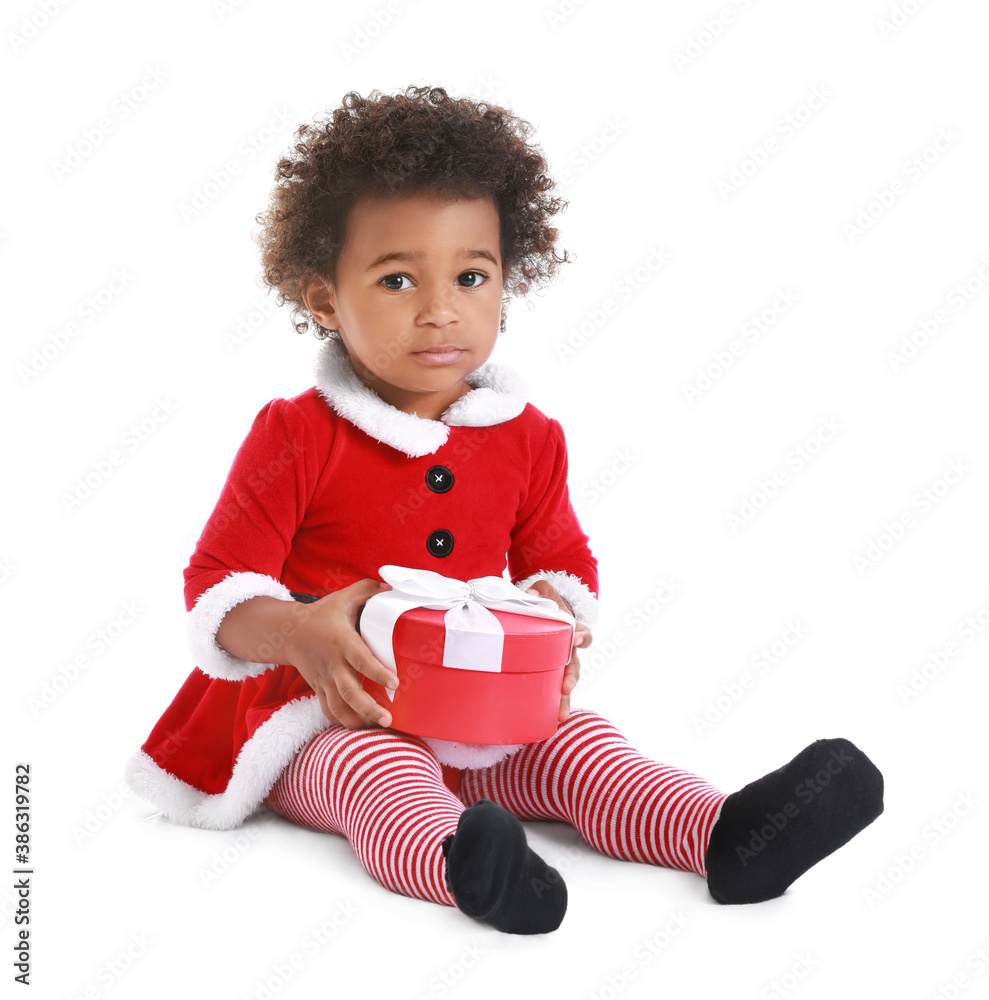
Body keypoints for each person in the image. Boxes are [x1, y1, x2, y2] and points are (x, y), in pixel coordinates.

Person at [125, 85, 883, 935]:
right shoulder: (298, 434)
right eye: (396, 278)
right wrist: (298, 633)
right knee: (374, 773)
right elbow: (217, 585)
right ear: (324, 300)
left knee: (584, 749)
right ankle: (466, 868)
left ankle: (725, 835)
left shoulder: (527, 437)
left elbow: (560, 562)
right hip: (324, 711)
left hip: (482, 704)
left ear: (506, 283)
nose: (440, 307)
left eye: (471, 275)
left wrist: (554, 628)